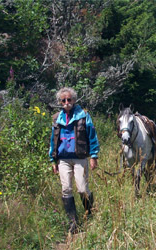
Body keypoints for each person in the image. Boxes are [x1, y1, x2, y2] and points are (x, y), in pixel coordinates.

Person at [49, 87, 100, 234]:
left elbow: (92, 135)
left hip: (80, 157)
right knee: (66, 189)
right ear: (60, 101)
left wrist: (94, 156)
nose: (66, 102)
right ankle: (73, 223)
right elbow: (53, 140)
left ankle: (88, 214)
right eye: (63, 100)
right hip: (63, 159)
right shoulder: (56, 118)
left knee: (83, 189)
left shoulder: (83, 115)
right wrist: (53, 160)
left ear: (74, 100)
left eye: (69, 99)